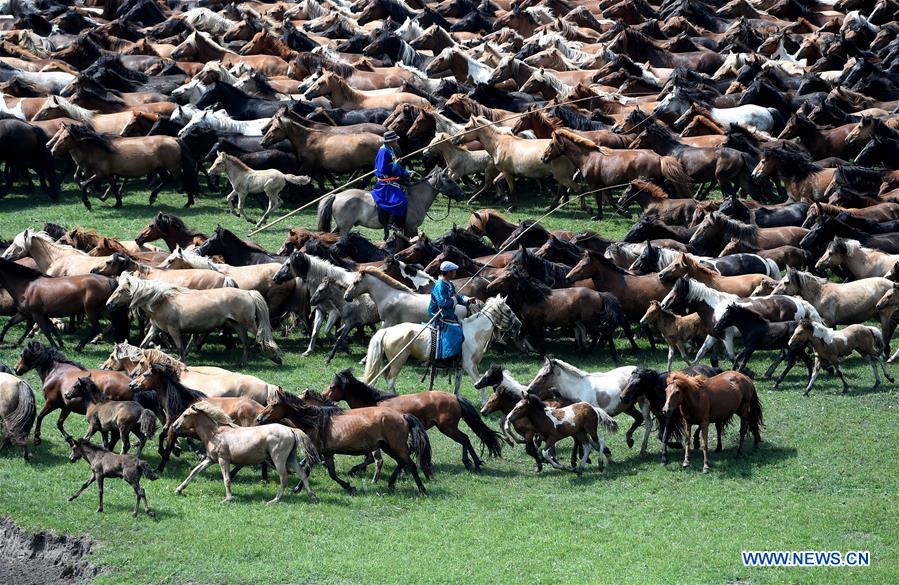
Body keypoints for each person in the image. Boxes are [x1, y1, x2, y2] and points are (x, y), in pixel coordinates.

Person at [371, 130, 415, 233]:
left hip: (393, 180)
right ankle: (393, 223)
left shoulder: (390, 149)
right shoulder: (383, 151)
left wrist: (407, 172)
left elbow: (396, 169)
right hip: (385, 183)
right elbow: (382, 169)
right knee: (400, 201)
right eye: (395, 140)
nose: (396, 141)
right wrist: (395, 163)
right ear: (389, 141)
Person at [428, 261, 470, 360]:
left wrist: (466, 299)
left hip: (449, 315)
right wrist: (454, 299)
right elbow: (443, 303)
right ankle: (446, 357)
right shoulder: (440, 285)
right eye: (453, 271)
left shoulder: (449, 284)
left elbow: (456, 296)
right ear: (448, 272)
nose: (455, 273)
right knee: (456, 332)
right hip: (440, 316)